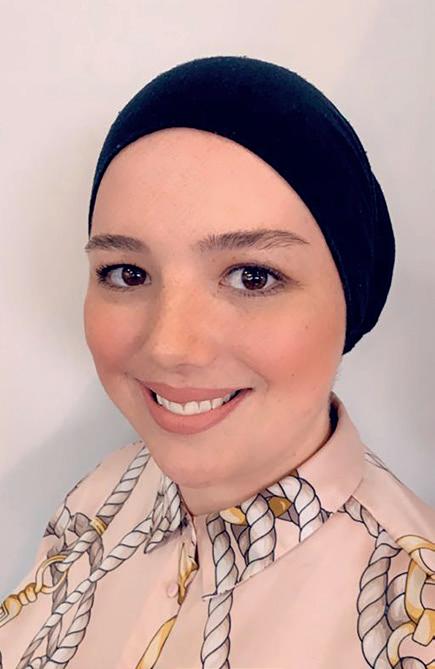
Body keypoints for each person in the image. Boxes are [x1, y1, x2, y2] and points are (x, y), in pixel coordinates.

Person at [1, 55, 434, 669]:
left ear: (351, 299)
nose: (170, 346)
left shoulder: (413, 624)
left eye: (253, 276)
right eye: (128, 273)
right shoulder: (102, 493)